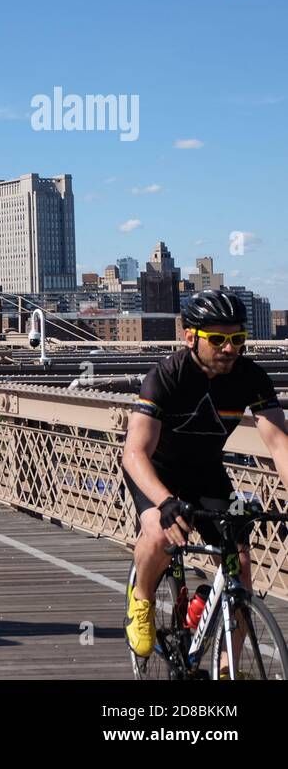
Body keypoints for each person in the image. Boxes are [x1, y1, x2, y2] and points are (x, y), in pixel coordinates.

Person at [123, 289, 288, 675]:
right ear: (189, 336)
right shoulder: (165, 376)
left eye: (237, 339)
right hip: (156, 472)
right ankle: (142, 600)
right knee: (161, 534)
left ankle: (228, 667)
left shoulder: (251, 376)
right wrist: (163, 503)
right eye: (217, 339)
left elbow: (279, 442)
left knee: (240, 563)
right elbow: (134, 453)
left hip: (205, 472)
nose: (229, 349)